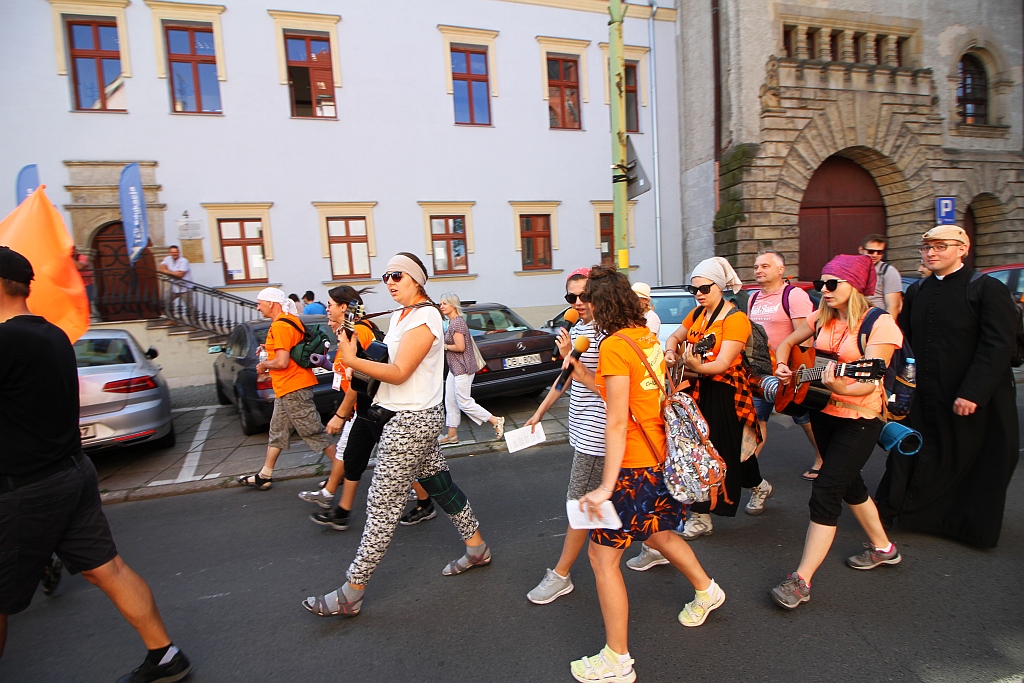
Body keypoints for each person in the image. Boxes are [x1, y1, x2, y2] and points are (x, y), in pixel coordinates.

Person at [0, 246, 192, 682]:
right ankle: (165, 655)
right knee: (109, 568)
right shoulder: (52, 334)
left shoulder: (6, 340)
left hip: (21, 488)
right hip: (71, 471)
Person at [302, 253, 490, 619]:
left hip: (411, 422)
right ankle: (477, 547)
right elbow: (388, 358)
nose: (389, 281)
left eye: (397, 275)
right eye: (386, 276)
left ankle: (351, 592)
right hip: (403, 416)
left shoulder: (426, 316)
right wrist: (355, 345)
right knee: (441, 486)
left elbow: (401, 371)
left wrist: (350, 359)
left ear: (416, 279)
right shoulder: (402, 316)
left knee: (381, 507)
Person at [565, 264, 725, 683]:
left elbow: (616, 421)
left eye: (589, 302)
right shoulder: (646, 338)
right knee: (658, 533)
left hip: (636, 467)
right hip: (661, 460)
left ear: (604, 306)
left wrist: (604, 486)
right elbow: (632, 395)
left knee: (602, 558)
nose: (583, 309)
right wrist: (583, 373)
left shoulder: (616, 345)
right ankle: (707, 590)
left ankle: (617, 660)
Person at [770, 254, 902, 610]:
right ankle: (884, 548)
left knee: (826, 489)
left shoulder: (880, 324)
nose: (823, 291)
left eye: (832, 284)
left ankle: (801, 580)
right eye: (820, 284)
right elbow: (785, 344)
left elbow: (865, 384)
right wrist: (785, 365)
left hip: (859, 418)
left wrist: (840, 386)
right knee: (850, 484)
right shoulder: (821, 317)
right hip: (823, 412)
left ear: (855, 286)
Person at [876, 226, 1019, 549]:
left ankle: (963, 526)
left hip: (971, 394)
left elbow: (996, 345)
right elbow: (906, 344)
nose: (931, 253)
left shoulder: (987, 289)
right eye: (926, 248)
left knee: (969, 458)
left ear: (963, 249)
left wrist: (974, 392)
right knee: (917, 449)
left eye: (941, 247)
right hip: (926, 393)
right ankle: (911, 514)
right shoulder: (919, 290)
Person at [659, 257, 769, 541]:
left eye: (705, 289)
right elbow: (674, 338)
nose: (698, 294)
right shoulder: (697, 315)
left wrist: (693, 366)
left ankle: (706, 513)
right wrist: (672, 352)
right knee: (709, 450)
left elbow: (721, 364)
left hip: (726, 392)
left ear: (719, 287)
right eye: (693, 288)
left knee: (721, 451)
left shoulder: (736, 320)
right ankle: (748, 491)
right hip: (698, 388)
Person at [522, 268, 612, 604]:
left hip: (598, 434)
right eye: (571, 297)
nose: (578, 303)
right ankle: (656, 546)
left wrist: (570, 358)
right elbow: (565, 378)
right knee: (612, 503)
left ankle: (561, 575)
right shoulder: (581, 329)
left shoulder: (608, 336)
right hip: (582, 427)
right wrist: (541, 411)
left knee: (578, 504)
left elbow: (606, 390)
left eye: (584, 296)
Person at [237, 288, 336, 490]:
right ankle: (265, 475)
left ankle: (341, 471)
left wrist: (264, 365)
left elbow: (282, 362)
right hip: (288, 388)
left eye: (260, 303)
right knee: (278, 431)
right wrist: (266, 348)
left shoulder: (280, 326)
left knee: (313, 432)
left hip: (293, 387)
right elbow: (287, 348)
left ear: (271, 304)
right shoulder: (288, 320)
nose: (257, 307)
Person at [297, 285, 377, 527]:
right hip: (360, 409)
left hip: (369, 409)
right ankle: (336, 504)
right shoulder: (348, 331)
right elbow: (347, 369)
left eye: (330, 305)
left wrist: (340, 415)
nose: (327, 309)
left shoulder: (358, 332)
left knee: (399, 460)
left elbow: (359, 378)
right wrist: (327, 364)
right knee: (350, 456)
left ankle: (425, 499)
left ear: (344, 307)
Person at [747, 249, 823, 480]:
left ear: (781, 270)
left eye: (765, 266)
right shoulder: (753, 297)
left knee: (803, 418)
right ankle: (746, 468)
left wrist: (799, 372)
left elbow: (805, 337)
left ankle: (823, 458)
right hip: (761, 371)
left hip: (788, 370)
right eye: (757, 266)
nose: (758, 270)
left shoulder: (794, 295)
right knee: (757, 417)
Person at [437, 292, 505, 445]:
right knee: (450, 400)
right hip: (455, 368)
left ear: (453, 305)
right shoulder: (451, 322)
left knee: (464, 401)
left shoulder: (457, 323)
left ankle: (496, 420)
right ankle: (452, 435)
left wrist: (444, 346)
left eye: (444, 303)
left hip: (463, 367)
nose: (441, 306)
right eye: (440, 303)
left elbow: (460, 347)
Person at [859, 234, 902, 316]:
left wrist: (886, 326)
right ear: (861, 250)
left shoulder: (888, 271)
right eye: (870, 251)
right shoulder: (852, 269)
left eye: (879, 252)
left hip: (877, 319)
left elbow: (893, 306)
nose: (875, 255)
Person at [158, 245, 193, 318]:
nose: (174, 254)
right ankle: (172, 319)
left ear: (179, 252)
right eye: (172, 252)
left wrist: (167, 271)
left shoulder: (184, 261)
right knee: (165, 301)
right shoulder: (167, 259)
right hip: (173, 286)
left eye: (176, 252)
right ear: (169, 253)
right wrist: (174, 273)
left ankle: (194, 323)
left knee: (189, 306)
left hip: (185, 287)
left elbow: (180, 275)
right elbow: (161, 269)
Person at [72, 247, 98, 320]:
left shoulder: (82, 257)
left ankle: (93, 317)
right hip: (76, 285)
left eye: (73, 250)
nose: (72, 252)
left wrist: (70, 258)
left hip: (87, 284)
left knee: (90, 302)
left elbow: (79, 266)